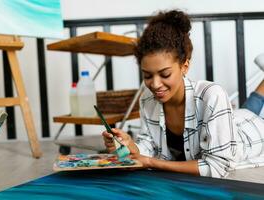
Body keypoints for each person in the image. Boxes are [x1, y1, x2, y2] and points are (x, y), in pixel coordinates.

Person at [102, 10, 264, 178]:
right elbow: (149, 146)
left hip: (252, 133)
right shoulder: (148, 99)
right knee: (250, 107)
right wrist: (129, 145)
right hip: (232, 118)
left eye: (165, 74)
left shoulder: (211, 95)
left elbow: (216, 167)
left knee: (251, 112)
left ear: (185, 66)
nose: (155, 85)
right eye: (147, 76)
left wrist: (151, 163)